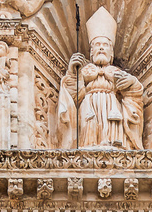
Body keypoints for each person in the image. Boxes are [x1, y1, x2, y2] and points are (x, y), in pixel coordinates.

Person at [58, 8, 143, 151]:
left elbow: (135, 94)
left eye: (105, 45)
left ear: (111, 53)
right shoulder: (84, 71)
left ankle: (112, 142)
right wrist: (73, 72)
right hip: (88, 105)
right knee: (89, 125)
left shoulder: (117, 72)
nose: (101, 48)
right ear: (91, 52)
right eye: (97, 45)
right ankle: (87, 144)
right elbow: (72, 96)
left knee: (112, 129)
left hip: (112, 106)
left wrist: (131, 82)